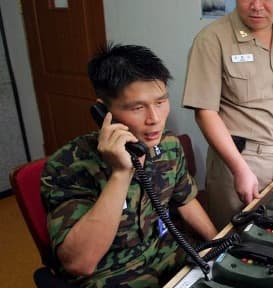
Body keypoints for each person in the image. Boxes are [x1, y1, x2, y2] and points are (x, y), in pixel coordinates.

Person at [41, 44, 217, 287]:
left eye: (160, 102)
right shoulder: (68, 165)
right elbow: (80, 262)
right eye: (137, 107)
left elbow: (185, 200)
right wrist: (121, 173)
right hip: (110, 275)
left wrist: (220, 248)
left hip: (168, 256)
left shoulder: (168, 146)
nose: (154, 119)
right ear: (103, 111)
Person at [182, 0, 273, 229]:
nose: (257, 6)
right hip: (240, 165)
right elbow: (205, 112)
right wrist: (240, 170)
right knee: (236, 246)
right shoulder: (211, 40)